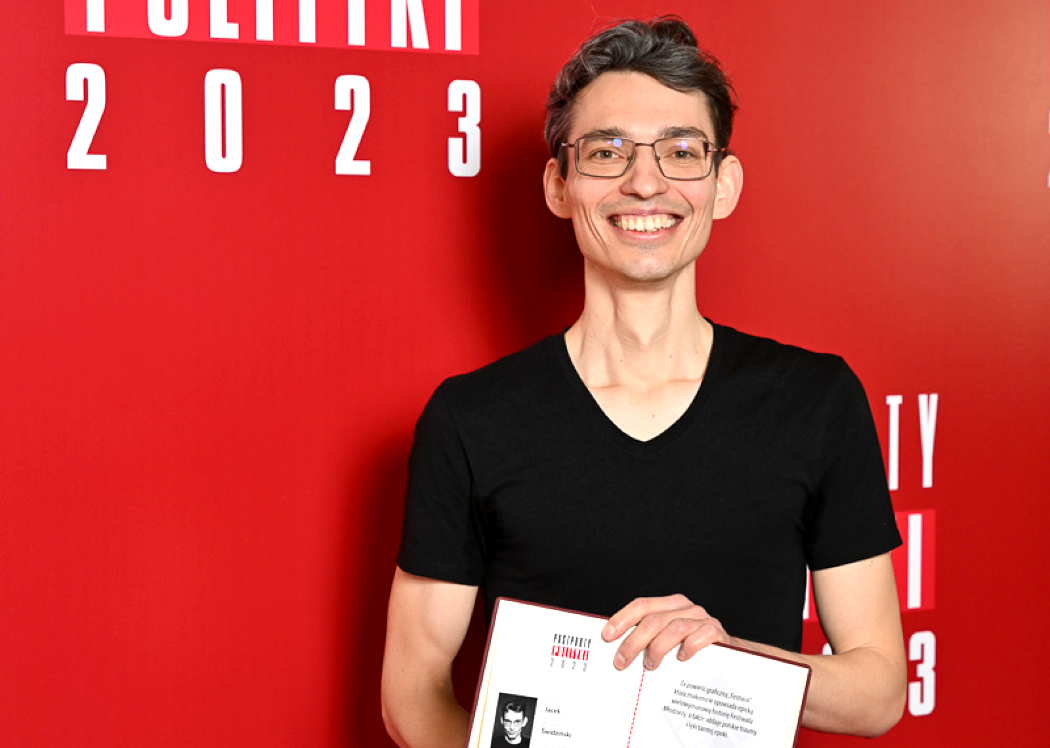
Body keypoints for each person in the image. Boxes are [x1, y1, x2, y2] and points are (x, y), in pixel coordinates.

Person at [381, 17, 906, 748]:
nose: (645, 182)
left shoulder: (816, 400)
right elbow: (413, 690)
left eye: (682, 152)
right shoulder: (470, 419)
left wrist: (725, 663)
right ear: (560, 186)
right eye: (607, 152)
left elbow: (879, 690)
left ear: (723, 186)